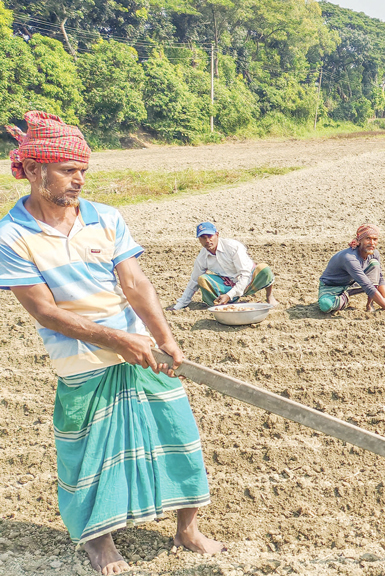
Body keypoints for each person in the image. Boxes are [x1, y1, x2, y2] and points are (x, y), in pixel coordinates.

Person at [1, 111, 223, 575]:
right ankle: (99, 542)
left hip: (140, 350)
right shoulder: (11, 235)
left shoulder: (106, 218)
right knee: (86, 451)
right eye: (68, 170)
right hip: (79, 361)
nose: (80, 179)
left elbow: (135, 282)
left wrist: (164, 337)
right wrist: (115, 338)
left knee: (176, 431)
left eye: (83, 169)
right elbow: (45, 310)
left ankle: (187, 529)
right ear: (34, 169)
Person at [167, 222, 276, 310]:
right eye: (203, 238)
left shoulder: (233, 247)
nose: (207, 241)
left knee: (264, 269)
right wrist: (179, 305)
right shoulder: (202, 257)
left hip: (249, 280)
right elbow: (194, 281)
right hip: (227, 283)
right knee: (202, 279)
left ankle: (269, 296)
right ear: (199, 240)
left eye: (210, 236)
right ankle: (222, 304)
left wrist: (229, 295)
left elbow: (245, 274)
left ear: (217, 235)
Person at [318, 224, 385, 320]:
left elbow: (379, 277)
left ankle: (370, 304)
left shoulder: (374, 254)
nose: (372, 243)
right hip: (332, 287)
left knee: (374, 264)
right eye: (368, 239)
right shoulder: (349, 258)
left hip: (352, 284)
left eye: (375, 239)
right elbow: (367, 285)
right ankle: (344, 298)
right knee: (326, 305)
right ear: (359, 240)